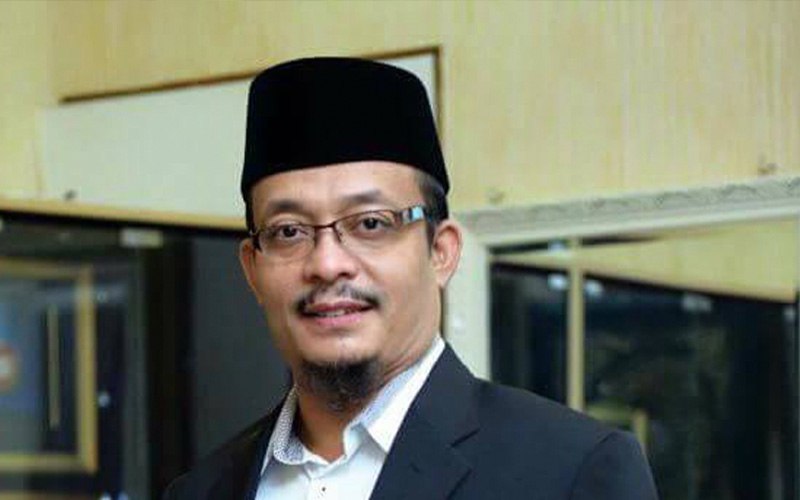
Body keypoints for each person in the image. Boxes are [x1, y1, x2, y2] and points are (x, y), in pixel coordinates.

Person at [164, 57, 659, 500]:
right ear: (252, 270)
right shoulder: (203, 490)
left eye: (370, 223)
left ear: (441, 251)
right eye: (289, 231)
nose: (327, 264)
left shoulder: (570, 471)